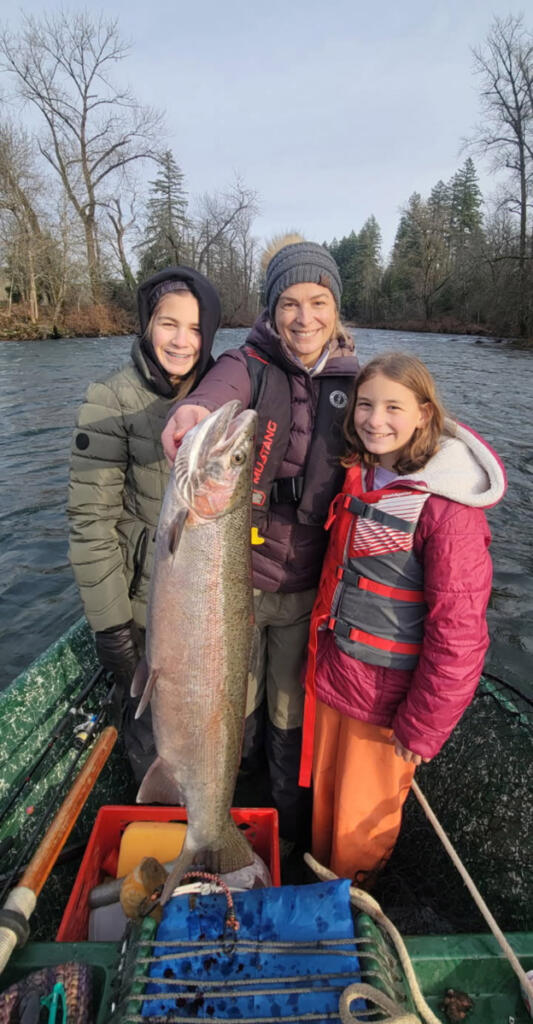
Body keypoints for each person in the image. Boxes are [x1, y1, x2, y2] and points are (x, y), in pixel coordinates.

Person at [161, 236, 360, 847]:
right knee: (230, 709)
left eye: (319, 302)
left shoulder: (359, 381)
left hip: (308, 591)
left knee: (288, 711)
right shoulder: (247, 363)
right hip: (235, 587)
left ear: (335, 308)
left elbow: (404, 430)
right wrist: (194, 412)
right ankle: (226, 813)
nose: (305, 318)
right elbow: (216, 392)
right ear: (271, 310)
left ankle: (285, 824)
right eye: (290, 303)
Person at [298, 352, 507, 884]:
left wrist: (422, 727)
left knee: (360, 829)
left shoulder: (448, 510)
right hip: (337, 677)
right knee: (326, 808)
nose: (375, 419)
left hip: (388, 706)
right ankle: (321, 888)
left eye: (394, 406)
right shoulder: (362, 473)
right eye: (365, 405)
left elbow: (459, 636)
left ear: (424, 413)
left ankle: (357, 913)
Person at [67, 266, 221, 782]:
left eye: (196, 329)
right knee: (150, 741)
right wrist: (111, 626)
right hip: (142, 610)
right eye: (167, 324)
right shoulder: (109, 399)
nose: (181, 341)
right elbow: (91, 523)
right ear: (146, 326)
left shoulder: (222, 398)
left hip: (210, 613)